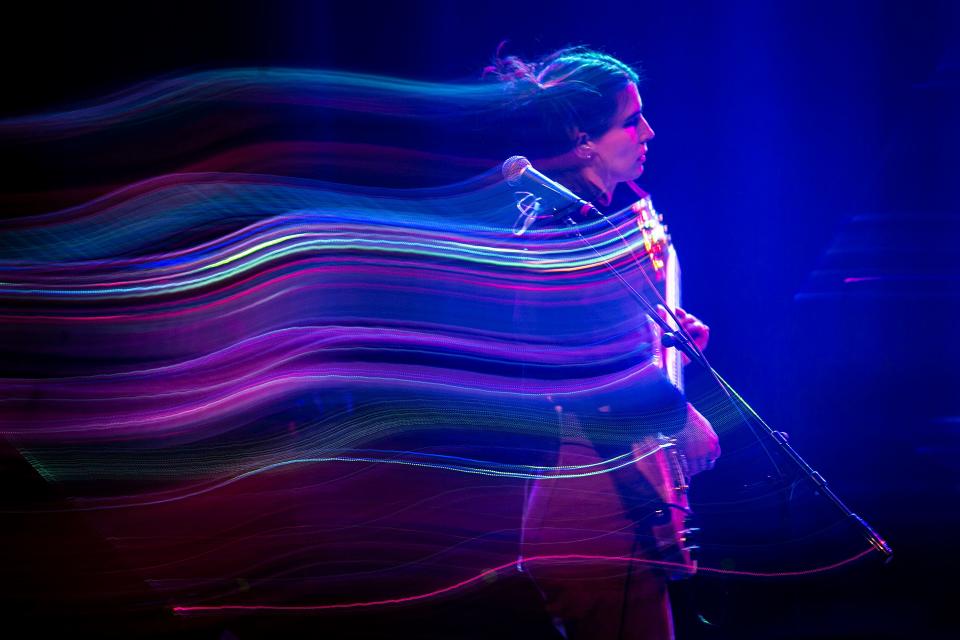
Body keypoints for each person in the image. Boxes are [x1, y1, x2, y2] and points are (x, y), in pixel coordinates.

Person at [486, 46, 721, 640]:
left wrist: (662, 333)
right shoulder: (555, 235)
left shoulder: (605, 220)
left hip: (620, 491)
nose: (649, 131)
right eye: (631, 119)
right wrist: (677, 411)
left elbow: (598, 341)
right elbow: (561, 368)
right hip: (594, 510)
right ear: (582, 138)